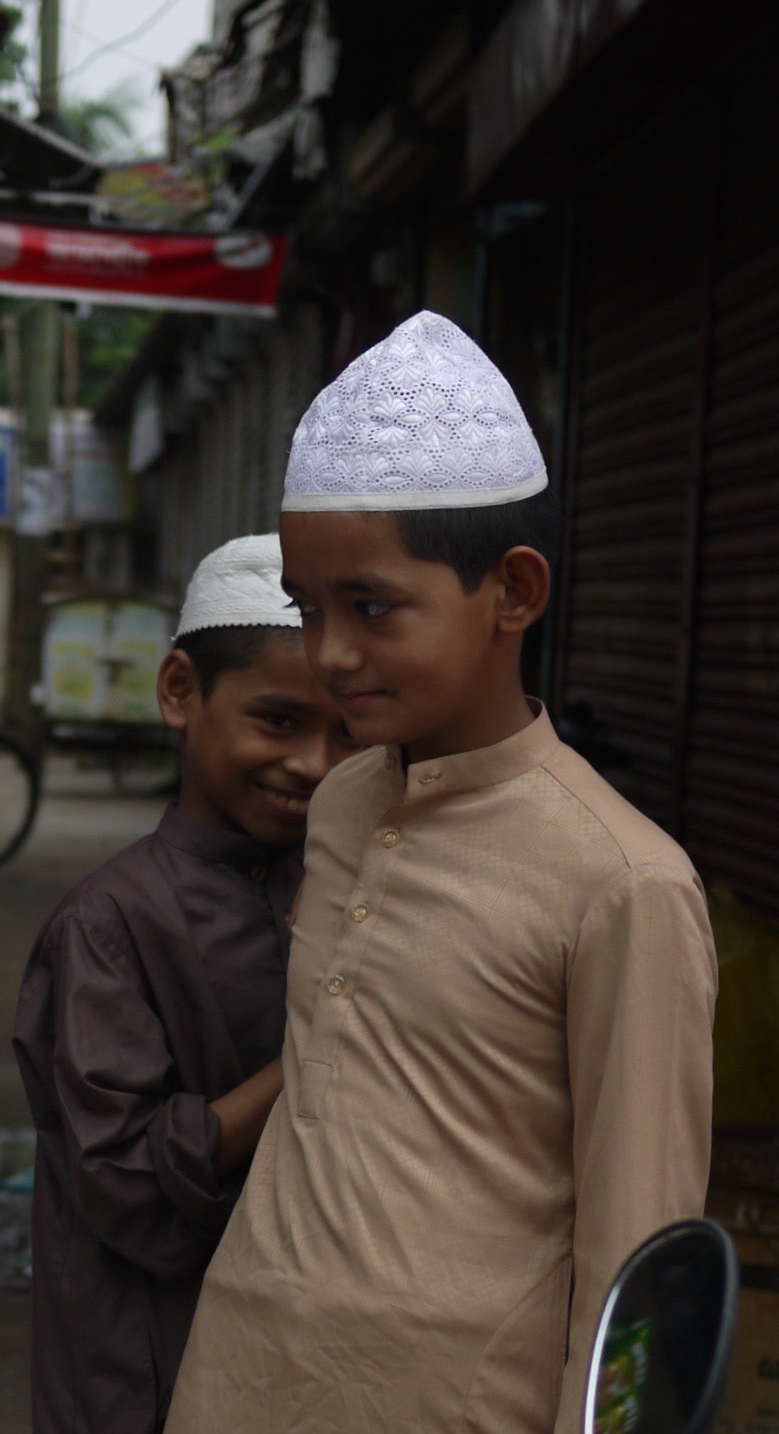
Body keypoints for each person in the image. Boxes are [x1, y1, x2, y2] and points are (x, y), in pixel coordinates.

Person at [165, 312, 718, 1434]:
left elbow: (638, 1264)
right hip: (239, 1378)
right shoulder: (342, 806)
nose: (329, 655)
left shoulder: (624, 885)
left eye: (371, 608)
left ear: (512, 591)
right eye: (310, 611)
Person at [12, 535, 360, 1433]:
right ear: (179, 692)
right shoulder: (108, 924)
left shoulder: (352, 889)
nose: (314, 765)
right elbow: (124, 1175)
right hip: (143, 1363)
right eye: (277, 721)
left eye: (345, 734)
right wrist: (314, 1057)